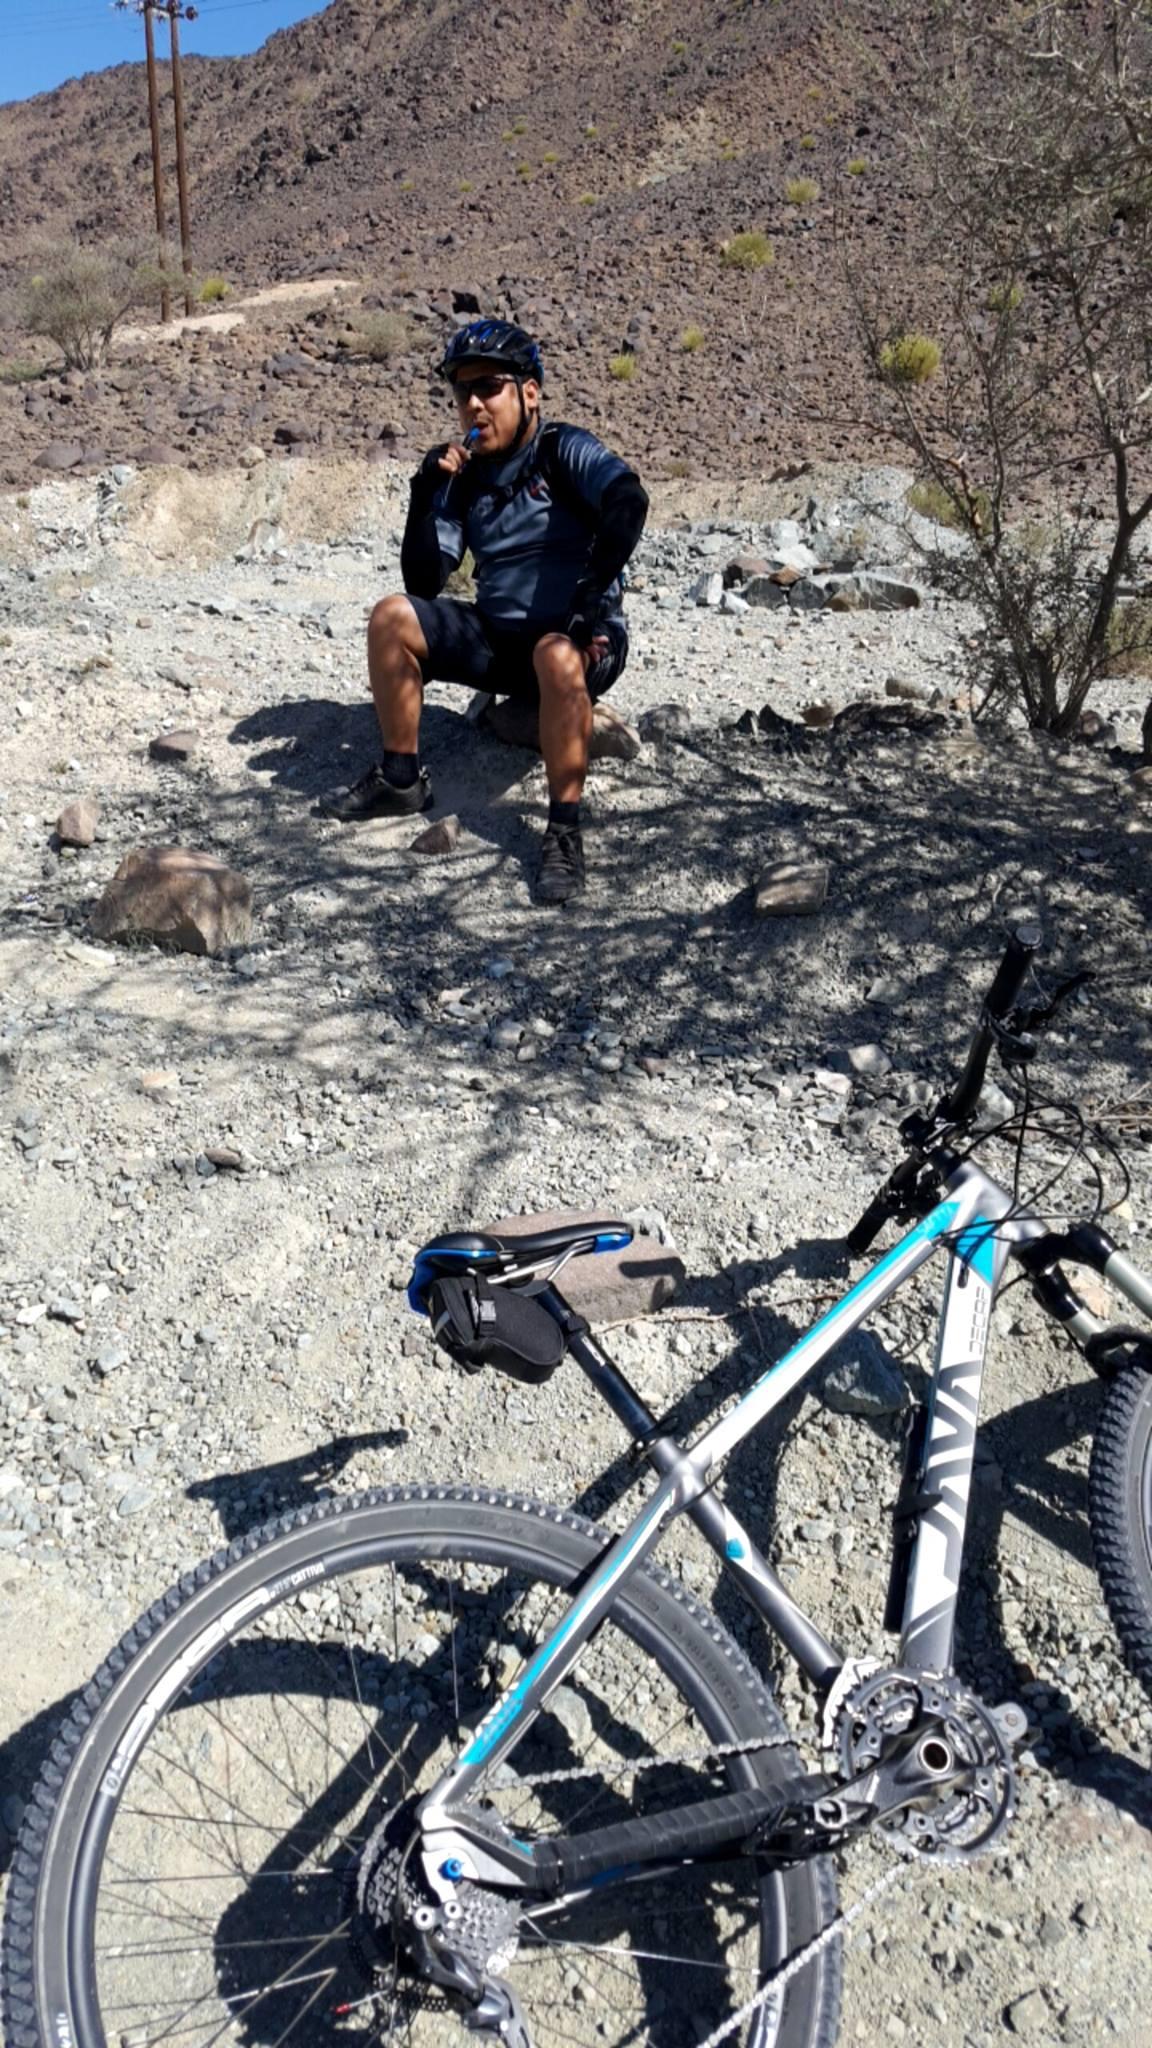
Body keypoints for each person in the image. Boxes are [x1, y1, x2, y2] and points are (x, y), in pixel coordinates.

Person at [324, 319, 649, 904]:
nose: (473, 404)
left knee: (555, 652)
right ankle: (400, 778)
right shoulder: (463, 478)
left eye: (489, 387)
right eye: (462, 391)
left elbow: (629, 500)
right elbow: (424, 580)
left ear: (529, 392)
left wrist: (588, 603)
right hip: (501, 642)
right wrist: (425, 497)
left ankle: (563, 832)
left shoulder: (561, 449)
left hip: (581, 637)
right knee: (392, 617)